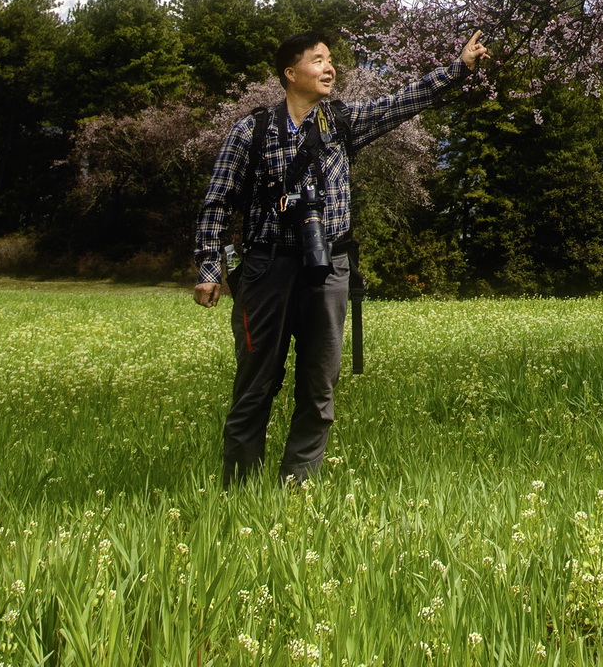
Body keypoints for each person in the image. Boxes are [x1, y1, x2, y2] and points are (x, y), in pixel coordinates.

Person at [193, 27, 487, 485]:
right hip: (264, 269)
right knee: (255, 386)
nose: (329, 68)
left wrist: (458, 70)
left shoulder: (342, 121)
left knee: (318, 387)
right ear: (291, 74)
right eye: (317, 60)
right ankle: (239, 492)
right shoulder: (251, 130)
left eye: (330, 60)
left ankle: (297, 488)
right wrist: (211, 268)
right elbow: (217, 200)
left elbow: (403, 102)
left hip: (327, 267)